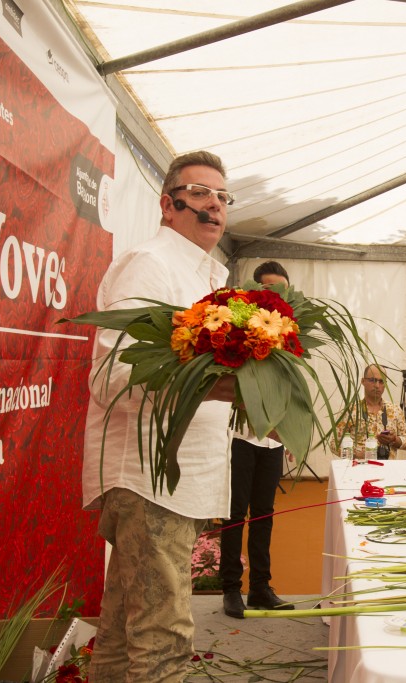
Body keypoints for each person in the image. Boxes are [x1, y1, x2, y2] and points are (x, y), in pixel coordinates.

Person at [82, 151, 238, 681]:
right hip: (150, 482)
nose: (214, 205)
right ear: (167, 205)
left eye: (222, 196)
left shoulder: (207, 278)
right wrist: (208, 385)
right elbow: (110, 373)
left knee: (124, 635)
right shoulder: (150, 264)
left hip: (176, 483)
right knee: (163, 640)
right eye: (199, 193)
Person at [221, 260, 294, 619]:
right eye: (267, 290)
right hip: (241, 436)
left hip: (274, 441)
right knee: (235, 516)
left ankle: (261, 588)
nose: (273, 297)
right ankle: (231, 589)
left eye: (279, 290)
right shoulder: (238, 330)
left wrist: (290, 431)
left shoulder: (292, 335)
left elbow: (293, 389)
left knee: (264, 515)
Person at [337, 364, 406, 460]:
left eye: (381, 381)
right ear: (363, 381)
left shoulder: (395, 410)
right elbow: (335, 442)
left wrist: (394, 439)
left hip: (388, 469)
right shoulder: (351, 410)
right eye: (372, 380)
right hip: (358, 469)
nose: (377, 385)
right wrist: (356, 454)